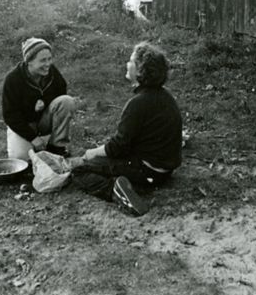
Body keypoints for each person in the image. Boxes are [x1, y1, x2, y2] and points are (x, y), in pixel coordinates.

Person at [71, 41, 182, 216]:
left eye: (131, 61)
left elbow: (118, 146)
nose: (127, 64)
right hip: (165, 170)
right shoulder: (165, 96)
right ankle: (132, 184)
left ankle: (116, 191)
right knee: (103, 162)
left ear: (140, 71)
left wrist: (93, 152)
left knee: (80, 170)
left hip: (147, 170)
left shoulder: (137, 104)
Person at [2, 38, 76, 160]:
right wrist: (33, 137)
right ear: (29, 62)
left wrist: (45, 101)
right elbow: (10, 116)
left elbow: (60, 97)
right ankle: (34, 144)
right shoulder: (13, 79)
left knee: (67, 101)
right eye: (42, 60)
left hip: (43, 121)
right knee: (21, 158)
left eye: (49, 59)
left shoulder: (52, 73)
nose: (48, 64)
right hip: (24, 124)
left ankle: (56, 148)